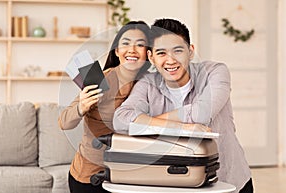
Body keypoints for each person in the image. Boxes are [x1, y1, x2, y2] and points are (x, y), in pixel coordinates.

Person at [113, 18, 253, 193]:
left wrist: (147, 122)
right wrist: (180, 126)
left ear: (190, 51)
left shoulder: (215, 72)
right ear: (151, 57)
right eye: (161, 53)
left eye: (178, 51)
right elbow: (120, 120)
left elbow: (201, 114)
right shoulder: (147, 84)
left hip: (228, 181)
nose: (170, 60)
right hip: (179, 183)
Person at [58, 21, 151, 193]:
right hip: (91, 177)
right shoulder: (101, 81)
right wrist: (81, 106)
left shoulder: (149, 83)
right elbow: (64, 122)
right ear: (117, 51)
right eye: (125, 43)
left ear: (148, 53)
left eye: (140, 45)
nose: (132, 50)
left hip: (129, 176)